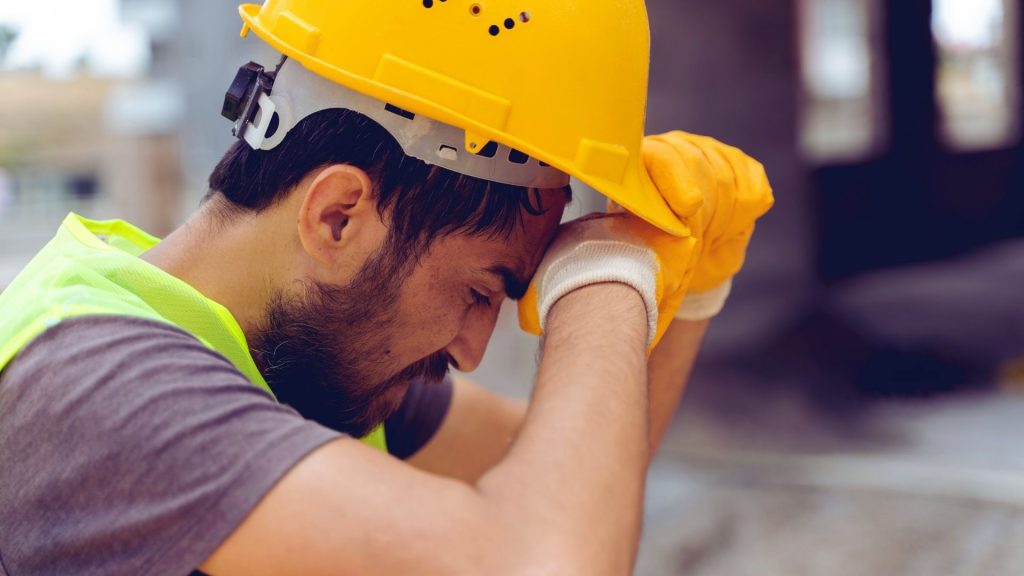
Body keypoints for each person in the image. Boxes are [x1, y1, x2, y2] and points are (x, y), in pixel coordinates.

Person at [0, 2, 773, 575]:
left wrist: (691, 283)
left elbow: (585, 486)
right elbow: (545, 559)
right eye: (482, 290)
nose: (472, 351)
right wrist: (603, 271)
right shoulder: (97, 386)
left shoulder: (289, 354)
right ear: (337, 216)